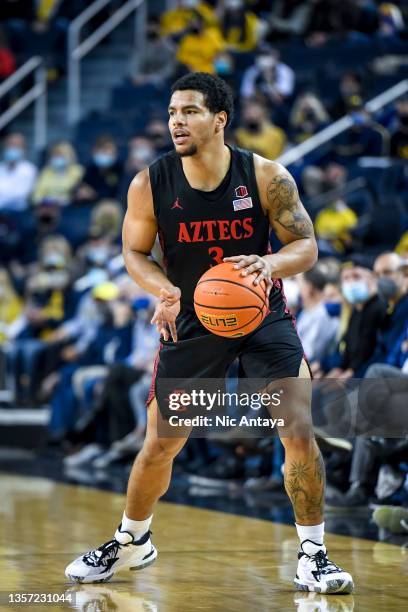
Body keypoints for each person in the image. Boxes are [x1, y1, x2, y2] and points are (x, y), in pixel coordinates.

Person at [65, 72, 353, 593]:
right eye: (173, 112)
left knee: (298, 427)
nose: (177, 121)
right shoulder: (149, 183)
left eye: (190, 111)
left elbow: (306, 246)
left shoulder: (264, 176)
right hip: (193, 319)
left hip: (262, 314)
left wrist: (269, 264)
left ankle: (313, 553)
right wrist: (164, 289)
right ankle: (133, 540)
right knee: (161, 444)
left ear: (219, 119)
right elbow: (133, 252)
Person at [0, 133, 37, 211]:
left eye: (16, 146)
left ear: (23, 149)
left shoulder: (29, 170)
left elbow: (21, 195)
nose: (12, 148)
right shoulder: (1, 167)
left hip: (18, 213)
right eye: (10, 145)